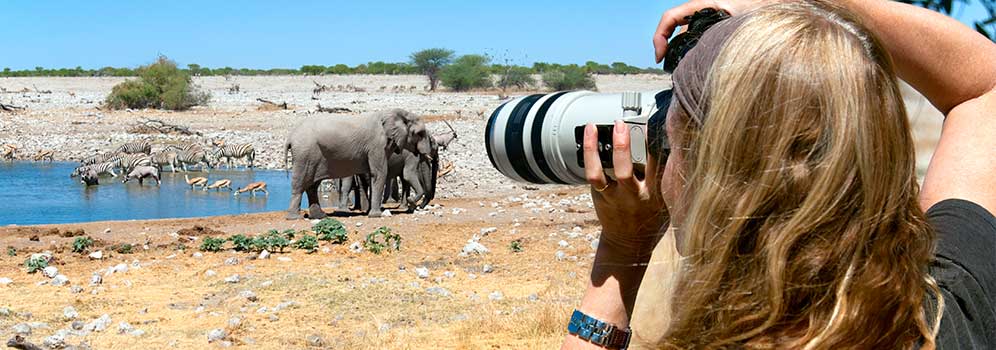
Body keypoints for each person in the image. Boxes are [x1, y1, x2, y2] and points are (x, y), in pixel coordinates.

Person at [563, 0, 996, 349]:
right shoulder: (945, 308)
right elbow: (985, 87)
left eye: (671, 145)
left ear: (715, 182)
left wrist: (622, 250)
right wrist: (800, 10)